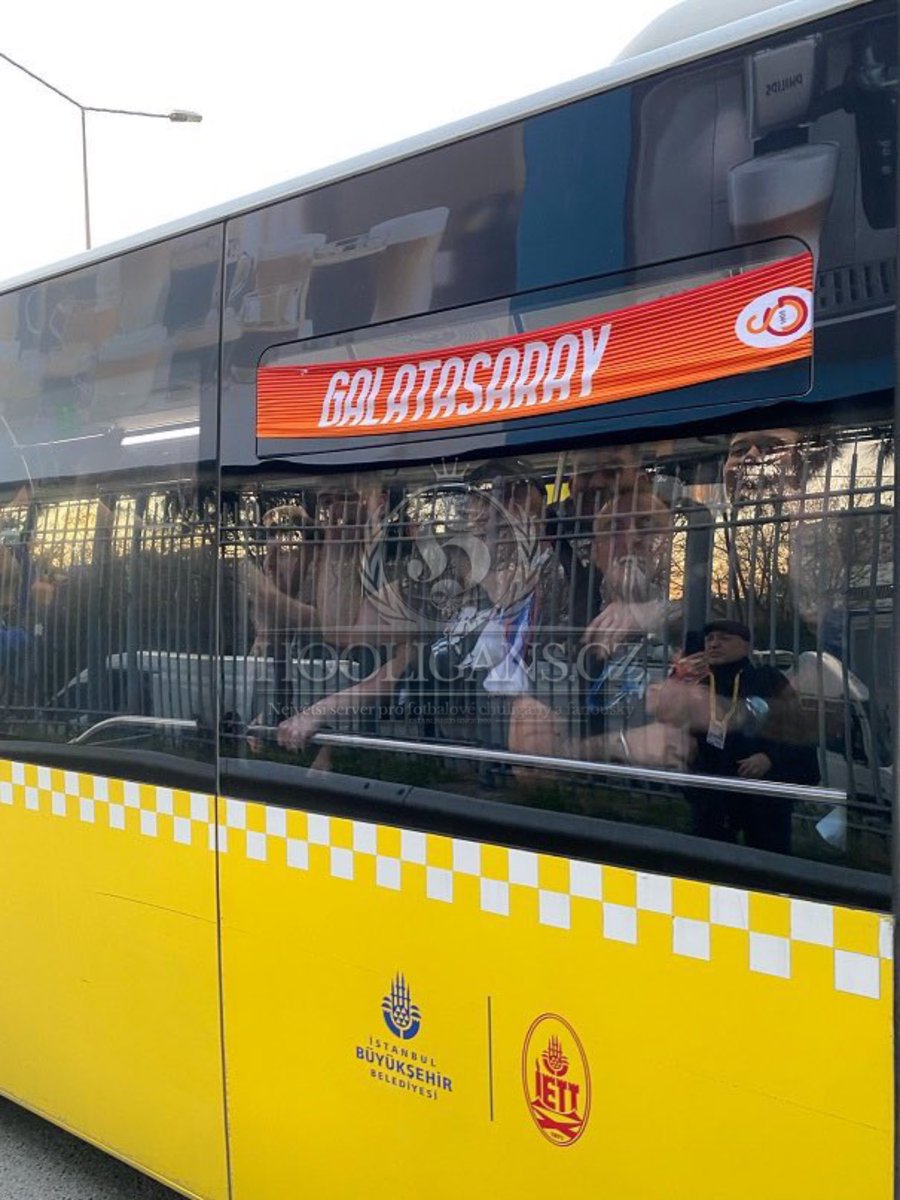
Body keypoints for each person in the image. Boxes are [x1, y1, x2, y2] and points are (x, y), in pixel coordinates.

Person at [679, 619, 819, 854]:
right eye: (710, 639)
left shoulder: (768, 680)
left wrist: (770, 757)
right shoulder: (701, 685)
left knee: (767, 866)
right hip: (713, 795)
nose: (714, 644)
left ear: (745, 646)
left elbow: (798, 729)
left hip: (763, 798)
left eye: (724, 639)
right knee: (710, 865)